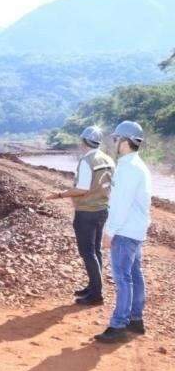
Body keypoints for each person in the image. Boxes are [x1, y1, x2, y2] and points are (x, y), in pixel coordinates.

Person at [95, 121, 151, 343]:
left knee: (122, 278)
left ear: (126, 142)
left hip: (125, 230)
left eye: (117, 139)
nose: (115, 142)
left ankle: (118, 325)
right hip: (136, 229)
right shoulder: (139, 166)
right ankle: (136, 320)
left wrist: (109, 232)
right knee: (134, 275)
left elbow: (122, 205)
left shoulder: (128, 168)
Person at [47, 126, 115, 305]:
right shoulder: (107, 159)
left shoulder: (86, 160)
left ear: (84, 141)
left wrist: (60, 195)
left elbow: (82, 189)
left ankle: (96, 294)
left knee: (87, 252)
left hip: (87, 212)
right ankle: (94, 286)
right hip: (102, 210)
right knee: (95, 251)